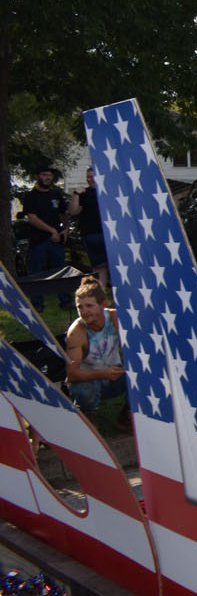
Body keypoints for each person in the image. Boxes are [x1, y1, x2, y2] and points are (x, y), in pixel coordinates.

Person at [64, 277, 128, 420]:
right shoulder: (76, 332)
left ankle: (129, 415)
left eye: (89, 306)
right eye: (80, 307)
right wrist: (103, 374)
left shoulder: (115, 318)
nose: (84, 311)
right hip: (90, 381)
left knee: (145, 371)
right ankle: (89, 417)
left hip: (115, 375)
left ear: (103, 305)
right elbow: (72, 374)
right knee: (83, 389)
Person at [22, 166, 68, 310]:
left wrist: (65, 229)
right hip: (38, 240)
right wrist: (51, 230)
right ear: (37, 177)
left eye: (50, 175)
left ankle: (66, 302)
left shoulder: (56, 194)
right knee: (37, 273)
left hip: (57, 241)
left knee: (61, 271)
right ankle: (37, 304)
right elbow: (32, 218)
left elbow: (63, 212)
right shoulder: (31, 196)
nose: (48, 177)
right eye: (44, 175)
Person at [69, 167, 108, 288]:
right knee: (99, 267)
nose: (91, 179)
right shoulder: (83, 194)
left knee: (118, 265)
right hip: (91, 235)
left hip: (110, 235)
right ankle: (100, 296)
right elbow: (73, 211)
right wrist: (76, 194)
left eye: (93, 176)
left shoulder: (109, 192)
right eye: (88, 176)